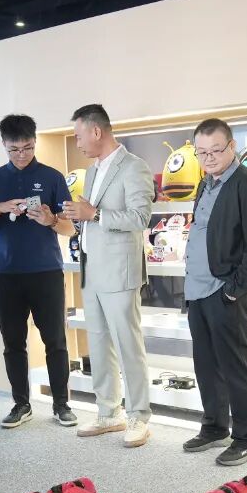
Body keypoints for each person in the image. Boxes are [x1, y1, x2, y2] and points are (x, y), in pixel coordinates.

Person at [0, 114, 77, 429]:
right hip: (6, 274)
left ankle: (61, 404)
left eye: (28, 148)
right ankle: (21, 404)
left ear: (35, 142)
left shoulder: (52, 177)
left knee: (55, 340)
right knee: (13, 342)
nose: (22, 155)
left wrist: (51, 220)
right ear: (4, 145)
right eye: (14, 149)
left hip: (46, 271)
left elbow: (70, 229)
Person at [62, 104, 154, 447]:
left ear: (96, 131)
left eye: (78, 136)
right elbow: (93, 216)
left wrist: (95, 213)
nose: (77, 142)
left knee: (128, 344)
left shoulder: (134, 167)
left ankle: (139, 415)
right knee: (99, 343)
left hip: (119, 271)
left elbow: (140, 217)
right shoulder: (91, 171)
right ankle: (108, 412)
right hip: (92, 268)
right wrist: (79, 215)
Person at [182, 118, 247, 466]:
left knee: (237, 366)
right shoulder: (205, 183)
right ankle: (215, 426)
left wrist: (235, 291)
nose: (209, 158)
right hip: (198, 290)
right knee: (206, 364)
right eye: (201, 152)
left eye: (216, 151)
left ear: (232, 147)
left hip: (225, 291)